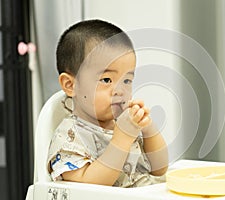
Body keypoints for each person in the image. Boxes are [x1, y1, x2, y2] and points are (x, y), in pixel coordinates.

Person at [47, 19, 168, 187]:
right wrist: (122, 139)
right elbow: (90, 187)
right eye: (106, 79)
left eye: (126, 81)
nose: (120, 90)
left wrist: (148, 129)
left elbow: (159, 169)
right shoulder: (70, 136)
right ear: (70, 85)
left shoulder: (123, 123)